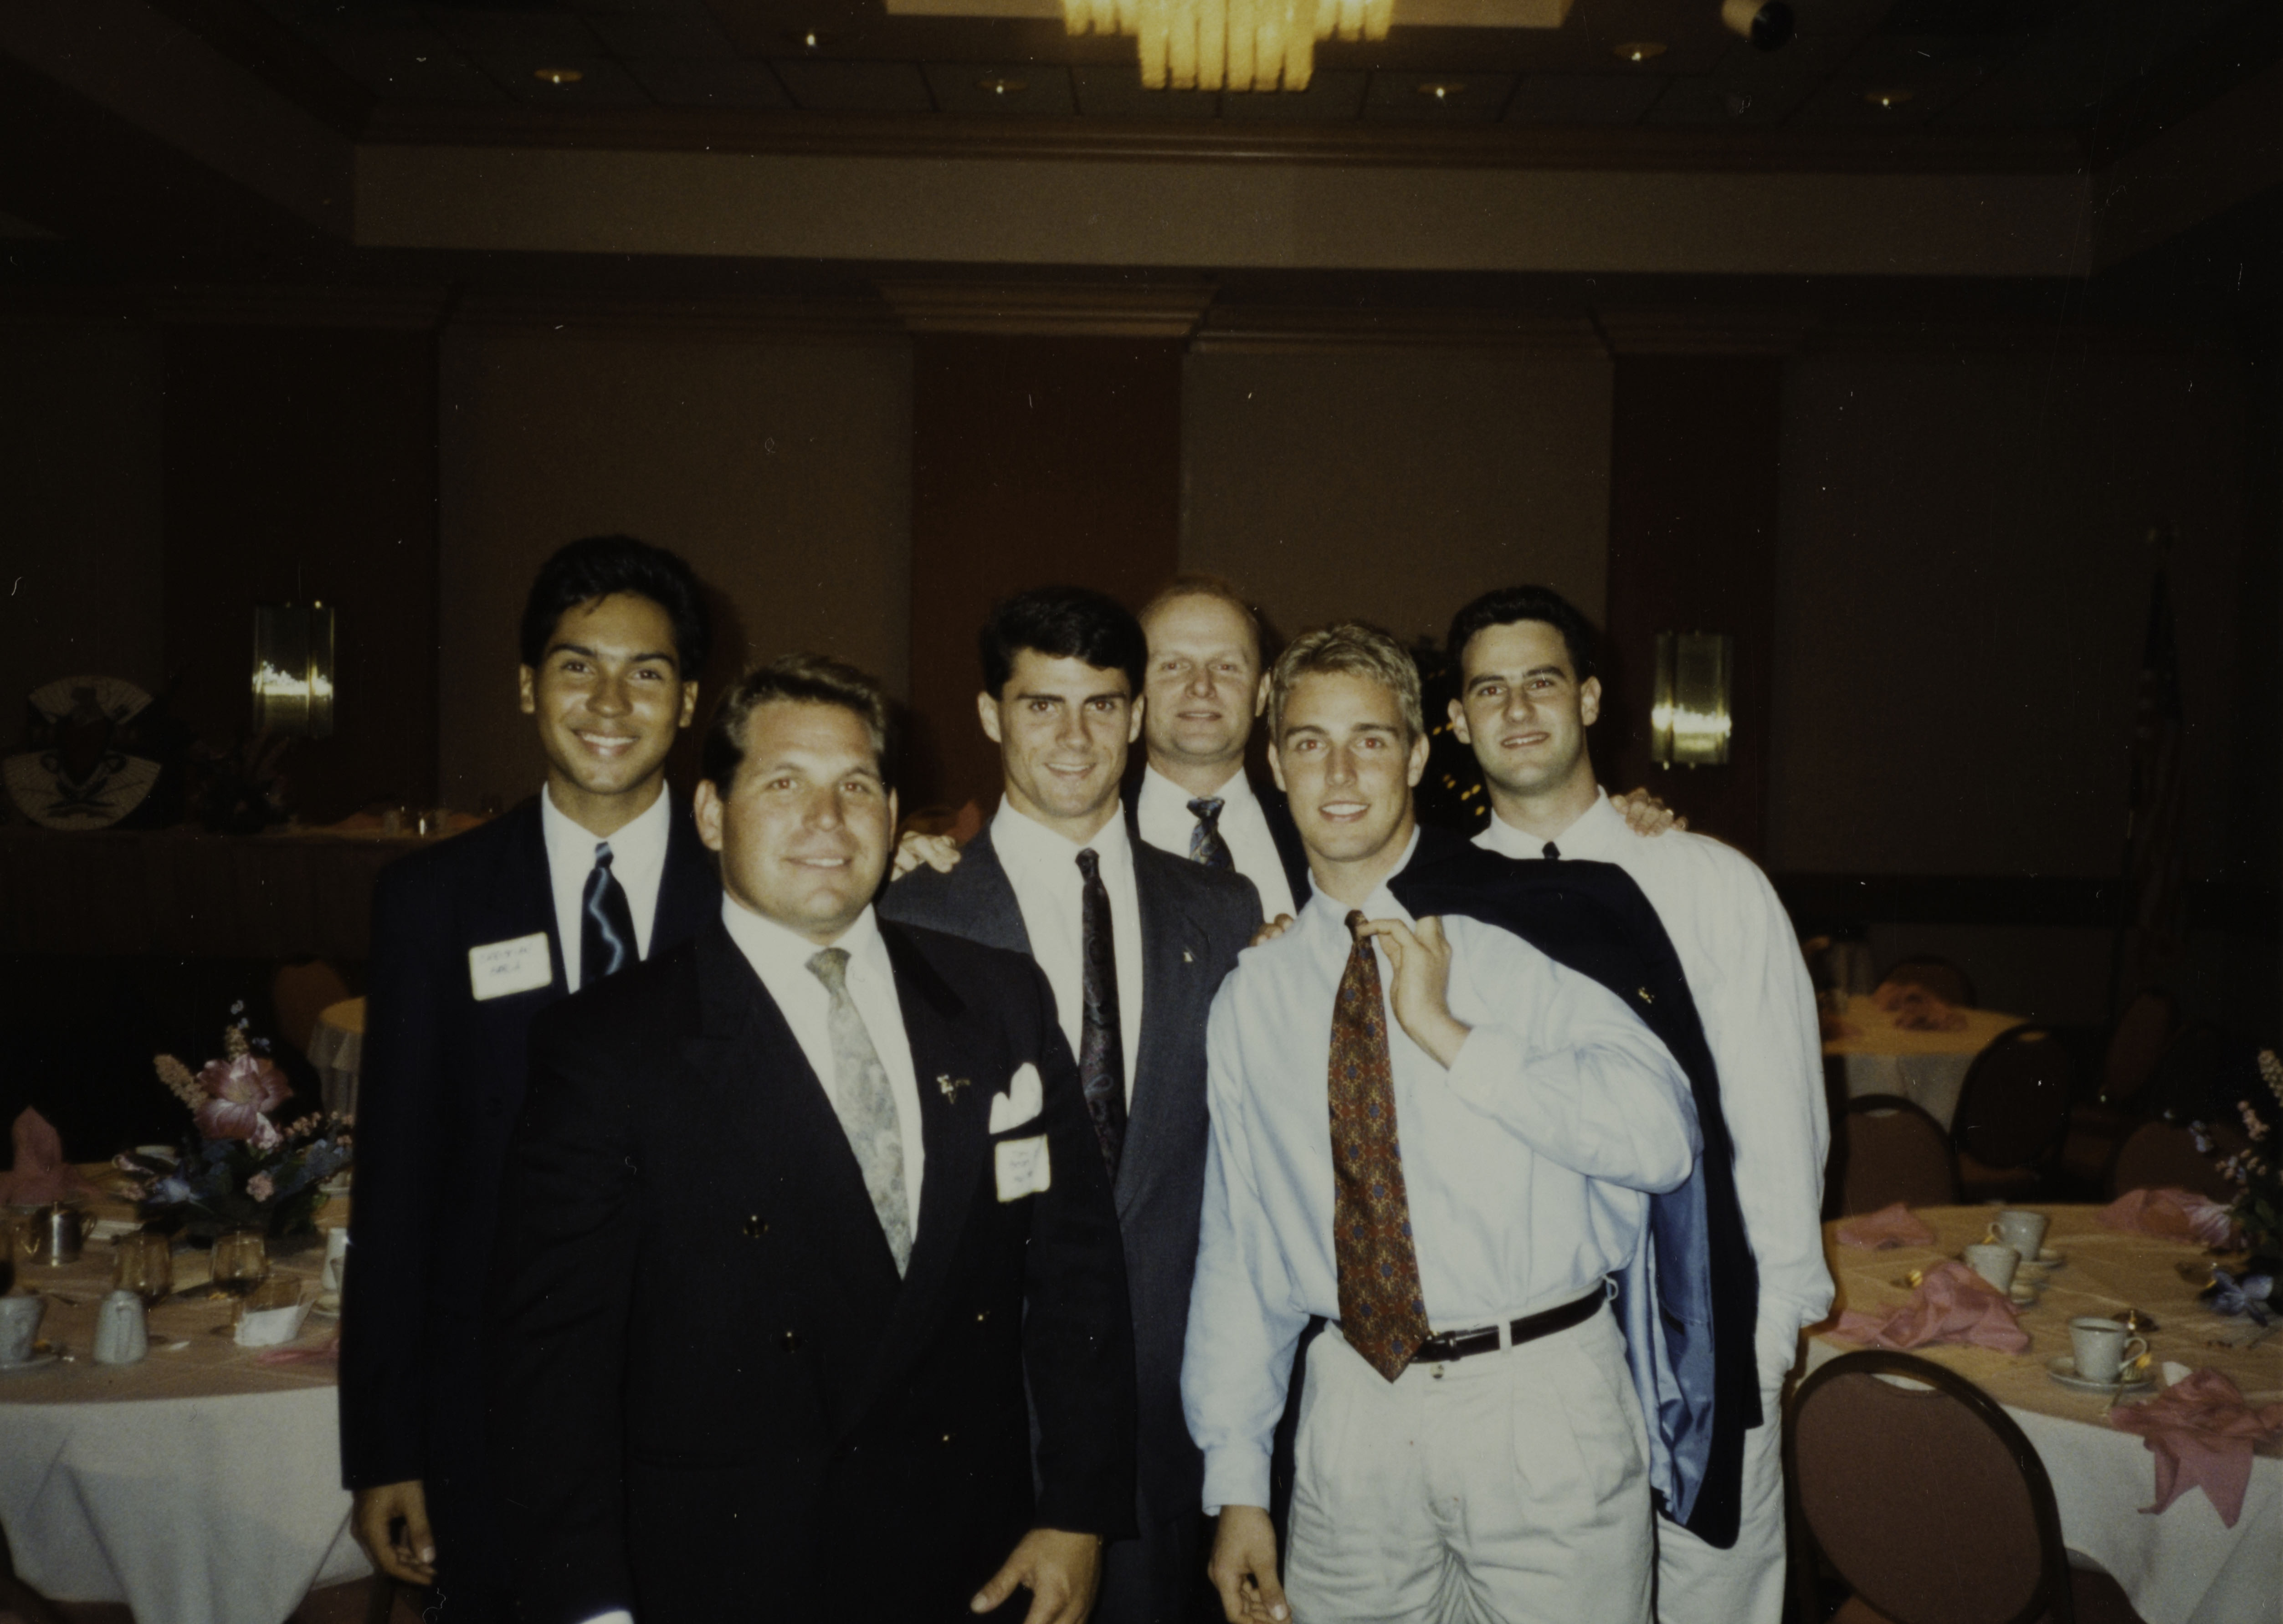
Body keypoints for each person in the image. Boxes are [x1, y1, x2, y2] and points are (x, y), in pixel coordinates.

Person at [484, 655, 1138, 1624]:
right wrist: (593, 1608)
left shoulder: (996, 1000)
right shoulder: (612, 1047)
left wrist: (1078, 1514)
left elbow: (1077, 1273)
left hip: (979, 1564)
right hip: (736, 1571)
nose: (826, 821)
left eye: (856, 787)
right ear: (711, 814)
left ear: (892, 811)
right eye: (784, 784)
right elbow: (555, 1367)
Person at [1185, 622, 1705, 1624]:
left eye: (1371, 740)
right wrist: (1240, 1481)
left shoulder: (1533, 928)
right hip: (1350, 1416)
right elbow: (1241, 1254)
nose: (1339, 770)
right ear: (1274, 763)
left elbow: (1661, 1140)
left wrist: (1454, 1037)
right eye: (1307, 742)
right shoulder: (1254, 996)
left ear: (1421, 753)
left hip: (1541, 1400)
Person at [340, 535, 718, 1618]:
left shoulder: (748, 892)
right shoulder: (434, 902)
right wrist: (384, 1445)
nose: (609, 699)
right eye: (574, 664)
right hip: (489, 1426)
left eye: (645, 671)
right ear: (525, 686)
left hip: (707, 1433)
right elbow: (398, 1189)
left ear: (686, 699)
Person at [1444, 585, 1829, 1624]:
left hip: (1703, 1327)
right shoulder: (1435, 903)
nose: (1516, 708)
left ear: (1588, 699)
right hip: (1527, 1358)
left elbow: (1778, 1119)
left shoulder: (1707, 882)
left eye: (1541, 681)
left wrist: (1769, 1328)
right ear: (1454, 719)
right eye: (1488, 688)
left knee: (1709, 1600)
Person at [881, 586, 1260, 1624]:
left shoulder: (1220, 912)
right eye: (1040, 704)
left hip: (1165, 1415)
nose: (1074, 734)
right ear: (990, 714)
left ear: (1136, 718)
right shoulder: (907, 913)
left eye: (1100, 703)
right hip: (979, 1420)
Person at [1124, 577, 1310, 921]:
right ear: (1135, 690)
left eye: (1225, 666)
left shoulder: (1315, 829)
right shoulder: (1093, 833)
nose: (1201, 686)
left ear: (1262, 692)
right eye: (1173, 665)